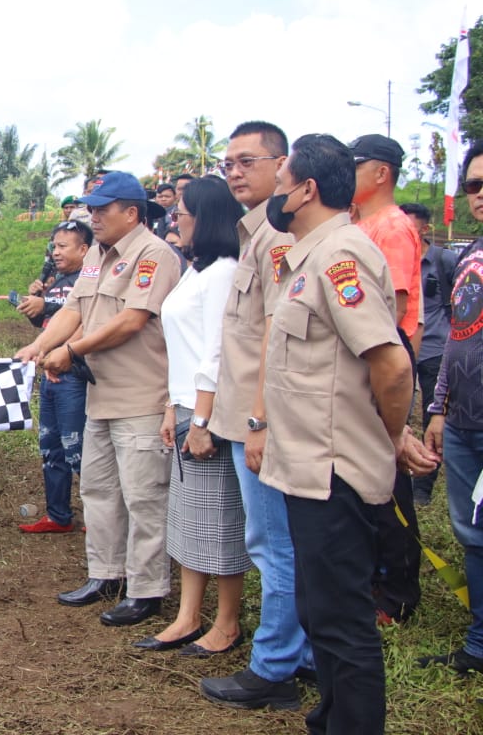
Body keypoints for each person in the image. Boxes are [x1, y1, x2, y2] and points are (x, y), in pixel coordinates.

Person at [258, 134, 412, 734]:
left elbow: (393, 365)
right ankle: (331, 720)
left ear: (307, 190)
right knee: (320, 614)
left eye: (281, 183)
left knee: (343, 623)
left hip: (336, 470)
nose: (275, 194)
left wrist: (386, 438)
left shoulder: (339, 257)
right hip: (308, 468)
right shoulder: (310, 255)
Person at [16, 171, 181, 626]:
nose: (94, 217)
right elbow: (73, 309)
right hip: (101, 394)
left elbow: (131, 321)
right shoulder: (96, 256)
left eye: (102, 209)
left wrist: (69, 352)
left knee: (143, 496)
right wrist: (40, 347)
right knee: (98, 488)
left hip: (143, 395)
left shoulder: (154, 255)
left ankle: (147, 589)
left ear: (131, 213)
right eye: (91, 208)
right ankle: (105, 574)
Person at [200, 121, 312, 712]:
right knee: (281, 541)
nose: (236, 173)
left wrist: (260, 422)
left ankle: (275, 667)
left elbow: (275, 335)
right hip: (250, 414)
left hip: (259, 419)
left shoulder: (276, 238)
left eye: (248, 161)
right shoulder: (256, 232)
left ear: (282, 165)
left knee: (272, 544)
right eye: (228, 164)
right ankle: (305, 654)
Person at [137, 177, 250, 656]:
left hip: (210, 409)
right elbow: (181, 349)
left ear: (208, 217)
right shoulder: (194, 270)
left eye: (183, 211)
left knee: (218, 518)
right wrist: (171, 405)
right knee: (187, 520)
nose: (175, 218)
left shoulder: (225, 271)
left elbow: (217, 352)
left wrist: (201, 421)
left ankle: (226, 622)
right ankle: (188, 616)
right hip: (184, 404)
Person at [349, 134, 424, 625]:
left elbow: (391, 312)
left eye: (355, 166)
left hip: (386, 364)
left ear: (381, 173)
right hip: (365, 366)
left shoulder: (392, 227)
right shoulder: (360, 224)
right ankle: (375, 578)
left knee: (388, 481)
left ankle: (397, 592)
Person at [418, 142, 483, 676]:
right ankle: (480, 639)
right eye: (474, 185)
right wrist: (437, 409)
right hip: (462, 421)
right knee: (469, 529)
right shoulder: (468, 255)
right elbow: (457, 339)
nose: (479, 195)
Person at [14, 219, 93, 534]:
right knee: (51, 448)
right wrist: (37, 307)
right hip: (48, 373)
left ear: (84, 249)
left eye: (63, 246)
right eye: (54, 247)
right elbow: (46, 327)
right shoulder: (57, 281)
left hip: (73, 375)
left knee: (80, 449)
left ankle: (99, 515)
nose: (56, 253)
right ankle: (58, 515)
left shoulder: (89, 278)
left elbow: (84, 314)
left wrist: (45, 303)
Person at [400, 202, 457, 505]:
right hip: (405, 351)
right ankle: (402, 476)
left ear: (424, 229)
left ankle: (424, 485)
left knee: (434, 419)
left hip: (437, 349)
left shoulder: (444, 261)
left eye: (410, 226)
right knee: (400, 417)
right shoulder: (393, 259)